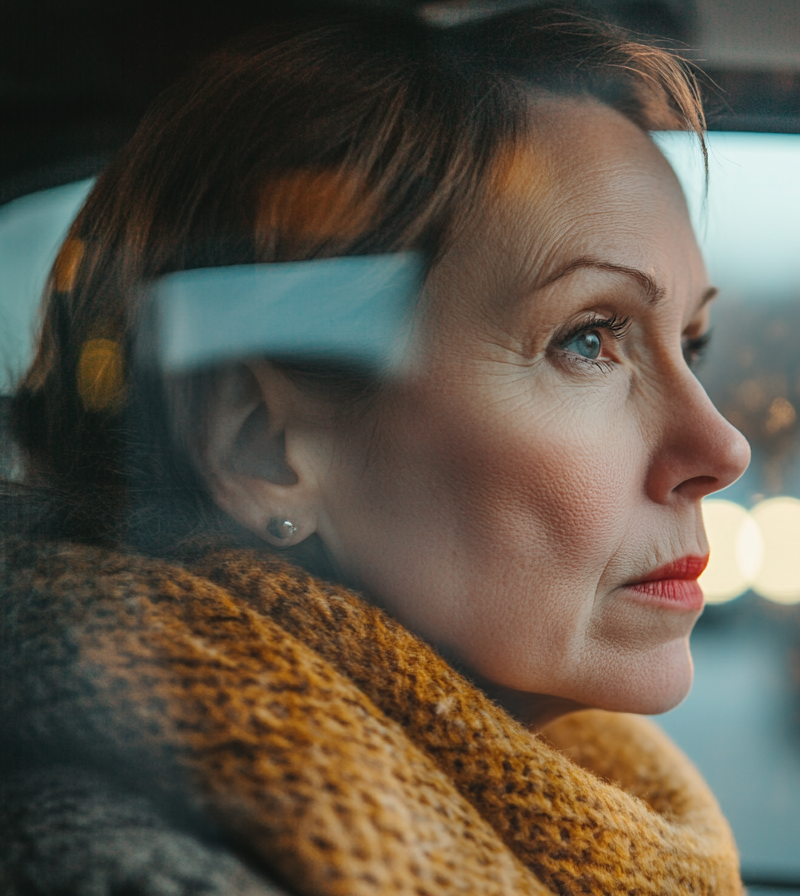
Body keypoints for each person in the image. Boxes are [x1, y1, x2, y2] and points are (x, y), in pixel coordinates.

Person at [0, 7, 750, 894]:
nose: (722, 447)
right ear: (265, 445)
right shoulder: (117, 865)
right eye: (588, 339)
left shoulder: (567, 797)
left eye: (692, 342)